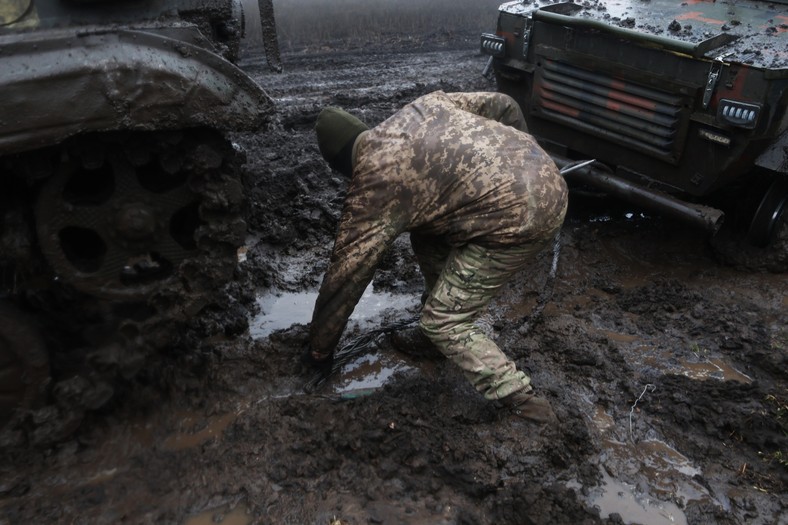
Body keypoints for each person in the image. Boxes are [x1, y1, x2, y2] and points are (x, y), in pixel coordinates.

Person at [305, 90, 568, 424]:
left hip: (522, 217)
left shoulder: (374, 180)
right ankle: (435, 337)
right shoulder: (422, 107)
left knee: (442, 320)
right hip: (544, 171)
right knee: (425, 231)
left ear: (342, 164)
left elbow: (347, 273)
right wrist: (525, 158)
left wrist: (320, 350)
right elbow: (505, 104)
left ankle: (523, 401)